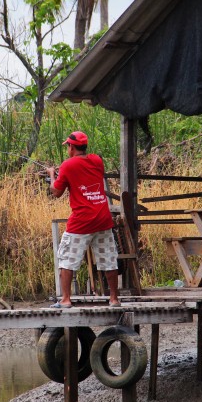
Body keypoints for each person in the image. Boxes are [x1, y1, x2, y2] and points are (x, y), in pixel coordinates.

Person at [46, 131, 121, 308]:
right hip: (103, 219)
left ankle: (65, 299)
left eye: (68, 147)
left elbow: (56, 192)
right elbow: (82, 171)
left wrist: (52, 175)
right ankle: (114, 299)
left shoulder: (67, 165)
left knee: (67, 259)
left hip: (81, 222)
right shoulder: (97, 161)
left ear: (71, 147)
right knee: (109, 259)